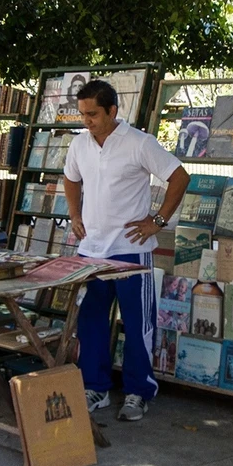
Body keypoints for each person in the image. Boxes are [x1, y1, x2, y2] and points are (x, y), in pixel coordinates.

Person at [61, 79, 189, 422]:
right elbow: (71, 178)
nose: (86, 120)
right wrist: (74, 214)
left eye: (93, 114)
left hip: (131, 250)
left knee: (137, 323)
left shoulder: (139, 143)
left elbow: (179, 177)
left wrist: (158, 220)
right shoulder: (79, 144)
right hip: (91, 250)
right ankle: (95, 387)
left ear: (112, 110)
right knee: (90, 322)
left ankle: (138, 391)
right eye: (82, 114)